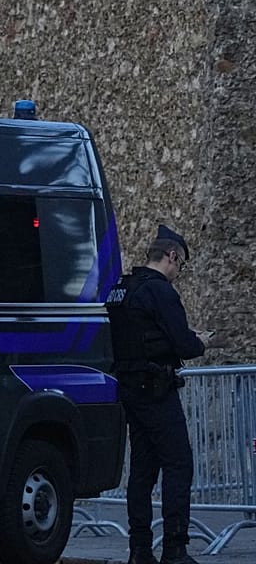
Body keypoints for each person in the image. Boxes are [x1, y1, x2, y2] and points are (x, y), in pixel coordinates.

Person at [106, 225, 225, 564]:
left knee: (142, 471)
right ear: (172, 256)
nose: (179, 272)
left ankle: (139, 550)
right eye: (181, 265)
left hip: (130, 388)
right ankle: (175, 548)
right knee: (178, 465)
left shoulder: (121, 288)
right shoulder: (160, 291)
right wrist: (202, 339)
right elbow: (183, 344)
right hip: (157, 390)